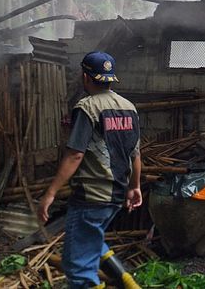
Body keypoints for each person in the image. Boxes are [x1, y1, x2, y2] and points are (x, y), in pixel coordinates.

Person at [37, 51, 142, 289]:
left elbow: (75, 154)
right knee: (92, 240)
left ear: (85, 77)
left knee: (78, 266)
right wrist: (135, 186)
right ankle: (127, 282)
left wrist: (50, 193)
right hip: (116, 195)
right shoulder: (129, 107)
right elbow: (135, 153)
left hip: (91, 197)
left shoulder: (87, 107)